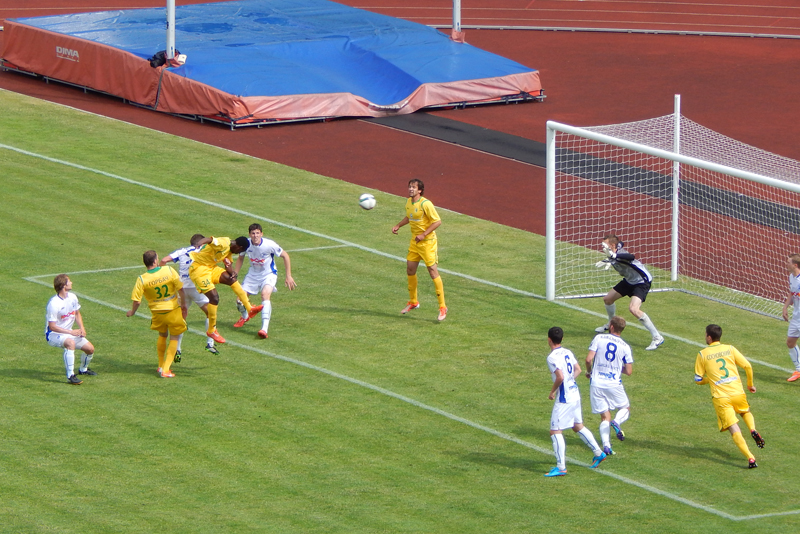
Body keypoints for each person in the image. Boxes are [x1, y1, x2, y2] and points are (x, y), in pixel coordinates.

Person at [694, 324, 765, 469]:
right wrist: (750, 384)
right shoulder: (730, 349)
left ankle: (750, 458)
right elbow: (747, 366)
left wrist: (710, 379)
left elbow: (698, 379)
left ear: (709, 337)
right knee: (745, 411)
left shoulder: (702, 354)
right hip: (737, 391)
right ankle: (752, 429)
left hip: (721, 397)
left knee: (733, 428)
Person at [544, 326, 606, 477]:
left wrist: (552, 391)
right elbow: (578, 369)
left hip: (565, 398)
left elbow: (560, 377)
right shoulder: (567, 352)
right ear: (562, 339)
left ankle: (561, 467)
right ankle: (598, 453)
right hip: (575, 393)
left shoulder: (552, 357)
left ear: (549, 340)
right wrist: (570, 381)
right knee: (577, 425)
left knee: (555, 431)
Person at [594, 233, 664, 350]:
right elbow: (620, 244)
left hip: (642, 282)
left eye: (604, 244)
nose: (602, 247)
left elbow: (631, 257)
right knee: (608, 299)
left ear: (612, 245)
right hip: (629, 281)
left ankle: (657, 337)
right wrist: (608, 259)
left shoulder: (621, 254)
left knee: (634, 309)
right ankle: (610, 324)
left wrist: (614, 257)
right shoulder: (615, 250)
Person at [188, 235, 263, 344]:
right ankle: (212, 330)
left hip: (210, 268)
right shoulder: (223, 243)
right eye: (240, 251)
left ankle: (249, 308)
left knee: (232, 280)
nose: (238, 253)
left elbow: (228, 265)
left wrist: (232, 273)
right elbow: (209, 239)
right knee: (214, 298)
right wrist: (199, 243)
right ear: (239, 247)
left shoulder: (230, 251)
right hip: (199, 270)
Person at [392, 179, 447, 321]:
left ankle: (442, 307)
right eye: (409, 187)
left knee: (432, 271)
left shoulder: (425, 204)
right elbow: (410, 217)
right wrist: (398, 225)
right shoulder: (408, 202)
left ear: (420, 190)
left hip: (427, 243)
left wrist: (423, 234)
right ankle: (413, 302)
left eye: (414, 187)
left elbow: (437, 221)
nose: (410, 189)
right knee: (410, 269)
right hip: (415, 242)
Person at [126, 250, 187, 378]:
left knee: (162, 335)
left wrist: (132, 312)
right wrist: (184, 305)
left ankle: (160, 365)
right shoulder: (168, 270)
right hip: (172, 310)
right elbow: (181, 289)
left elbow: (137, 301)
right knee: (175, 337)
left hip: (157, 313)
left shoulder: (142, 279)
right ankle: (166, 370)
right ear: (155, 261)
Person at [233, 223, 297, 339]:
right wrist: (235, 273)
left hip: (268, 274)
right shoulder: (246, 244)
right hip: (252, 275)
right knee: (239, 300)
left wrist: (288, 275)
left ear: (261, 234)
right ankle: (245, 316)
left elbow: (285, 256)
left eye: (258, 233)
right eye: (253, 233)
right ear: (249, 234)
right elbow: (240, 258)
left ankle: (264, 329)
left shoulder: (269, 245)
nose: (255, 236)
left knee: (265, 294)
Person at [160, 234, 220, 357]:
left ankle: (177, 349)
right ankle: (210, 343)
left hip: (182, 289)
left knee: (181, 319)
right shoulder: (203, 251)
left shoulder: (182, 251)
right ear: (201, 243)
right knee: (210, 313)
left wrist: (162, 277)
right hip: (196, 288)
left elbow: (164, 260)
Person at [586, 316, 633, 456]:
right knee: (625, 407)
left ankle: (606, 446)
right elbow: (629, 371)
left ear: (611, 327)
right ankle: (617, 421)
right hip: (613, 383)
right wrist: (617, 367)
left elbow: (588, 359)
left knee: (604, 416)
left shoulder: (599, 338)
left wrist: (589, 372)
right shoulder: (625, 346)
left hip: (597, 383)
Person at [45, 274, 97, 385]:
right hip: (54, 335)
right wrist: (71, 332)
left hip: (69, 332)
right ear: (64, 285)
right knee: (70, 343)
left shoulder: (73, 297)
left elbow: (77, 313)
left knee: (90, 349)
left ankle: (83, 369)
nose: (71, 282)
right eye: (69, 281)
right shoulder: (54, 304)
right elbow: (52, 326)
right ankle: (70, 375)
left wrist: (82, 328)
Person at [782, 254, 800, 381]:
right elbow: (791, 293)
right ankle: (799, 370)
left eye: (788, 262)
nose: (786, 264)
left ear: (795, 265)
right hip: (796, 317)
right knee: (790, 342)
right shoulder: (791, 277)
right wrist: (785, 307)